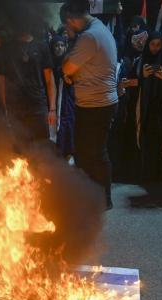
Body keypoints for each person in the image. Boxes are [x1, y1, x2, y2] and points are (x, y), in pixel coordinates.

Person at [60, 0, 118, 209]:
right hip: (101, 101)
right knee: (92, 152)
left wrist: (70, 70)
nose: (68, 29)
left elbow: (66, 67)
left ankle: (102, 200)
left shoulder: (89, 37)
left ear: (71, 19)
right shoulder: (99, 28)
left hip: (96, 104)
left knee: (92, 153)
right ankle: (96, 197)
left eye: (68, 25)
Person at [1, 24, 57, 144]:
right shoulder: (8, 48)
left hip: (38, 105)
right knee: (19, 149)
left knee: (42, 146)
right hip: (15, 107)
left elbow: (49, 79)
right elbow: (2, 79)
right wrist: (4, 106)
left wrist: (52, 109)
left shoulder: (41, 46)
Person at [135, 31, 162, 182]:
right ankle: (145, 174)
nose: (155, 48)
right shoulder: (142, 60)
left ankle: (157, 175)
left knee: (159, 142)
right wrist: (143, 77)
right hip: (145, 108)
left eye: (158, 45)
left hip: (161, 110)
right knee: (145, 141)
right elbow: (135, 85)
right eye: (152, 44)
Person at [50, 35, 75, 159]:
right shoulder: (50, 65)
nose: (59, 48)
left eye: (61, 45)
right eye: (56, 46)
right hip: (54, 103)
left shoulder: (70, 62)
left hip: (68, 102)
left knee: (68, 130)